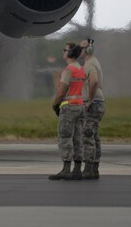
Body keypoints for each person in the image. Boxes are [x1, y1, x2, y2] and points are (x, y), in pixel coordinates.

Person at [49, 42, 86, 181]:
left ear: (70, 53)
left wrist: (55, 104)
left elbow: (61, 91)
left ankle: (66, 169)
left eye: (65, 50)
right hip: (80, 106)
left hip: (69, 107)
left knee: (65, 138)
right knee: (78, 138)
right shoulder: (81, 69)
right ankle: (77, 170)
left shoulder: (68, 70)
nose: (63, 52)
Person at [79, 38, 105, 179]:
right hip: (99, 101)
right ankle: (94, 168)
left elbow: (94, 81)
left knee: (87, 135)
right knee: (94, 135)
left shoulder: (89, 64)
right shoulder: (94, 62)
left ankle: (89, 169)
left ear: (87, 50)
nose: (79, 50)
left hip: (94, 103)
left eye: (81, 48)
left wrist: (89, 100)